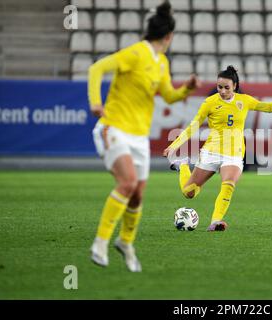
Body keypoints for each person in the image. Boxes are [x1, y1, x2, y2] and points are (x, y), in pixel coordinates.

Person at [87, 1, 200, 272]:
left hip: (139, 137)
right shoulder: (135, 53)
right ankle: (100, 243)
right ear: (169, 36)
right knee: (126, 184)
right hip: (113, 127)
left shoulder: (161, 63)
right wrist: (95, 102)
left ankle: (126, 243)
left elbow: (169, 95)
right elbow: (96, 69)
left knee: (137, 195)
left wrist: (186, 89)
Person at [163, 66, 272, 231]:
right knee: (189, 192)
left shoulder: (244, 100)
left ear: (235, 86)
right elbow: (193, 126)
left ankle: (216, 221)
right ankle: (183, 164)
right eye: (219, 87)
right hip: (211, 151)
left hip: (234, 154)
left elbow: (269, 107)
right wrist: (174, 146)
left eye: (226, 87)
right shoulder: (210, 102)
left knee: (228, 184)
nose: (222, 91)